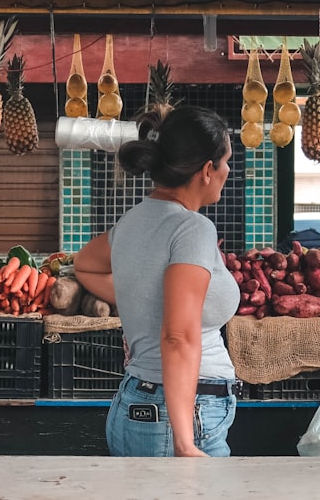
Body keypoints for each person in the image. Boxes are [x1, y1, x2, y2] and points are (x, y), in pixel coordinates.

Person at [74, 105, 241, 458]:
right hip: (179, 419)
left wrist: (142, 308)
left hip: (138, 402)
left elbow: (84, 265)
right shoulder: (192, 228)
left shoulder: (132, 221)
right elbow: (178, 336)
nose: (229, 171)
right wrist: (184, 442)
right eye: (226, 162)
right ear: (208, 170)